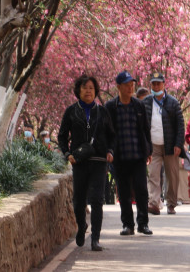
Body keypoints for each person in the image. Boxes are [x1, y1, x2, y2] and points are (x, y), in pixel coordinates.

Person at [58, 75, 116, 251]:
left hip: (99, 162)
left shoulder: (102, 111)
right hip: (80, 162)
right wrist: (68, 153)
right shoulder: (71, 111)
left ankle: (95, 239)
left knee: (98, 200)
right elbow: (62, 136)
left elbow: (112, 136)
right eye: (85, 88)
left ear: (95, 90)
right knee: (78, 200)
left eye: (91, 87)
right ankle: (82, 226)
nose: (88, 91)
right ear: (78, 91)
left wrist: (110, 151)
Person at [105, 70, 154, 236]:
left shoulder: (138, 105)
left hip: (138, 154)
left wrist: (149, 150)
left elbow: (145, 129)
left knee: (141, 190)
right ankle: (128, 224)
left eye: (132, 84)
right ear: (118, 87)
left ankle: (143, 224)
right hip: (120, 156)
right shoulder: (111, 107)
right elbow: (107, 132)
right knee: (124, 192)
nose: (130, 87)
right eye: (126, 85)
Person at [143, 71, 185, 215]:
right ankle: (153, 203)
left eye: (158, 83)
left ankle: (171, 203)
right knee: (153, 174)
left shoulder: (173, 102)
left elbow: (180, 125)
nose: (155, 86)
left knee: (172, 176)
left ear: (163, 84)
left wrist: (178, 144)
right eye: (153, 84)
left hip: (170, 145)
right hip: (153, 145)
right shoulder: (146, 102)